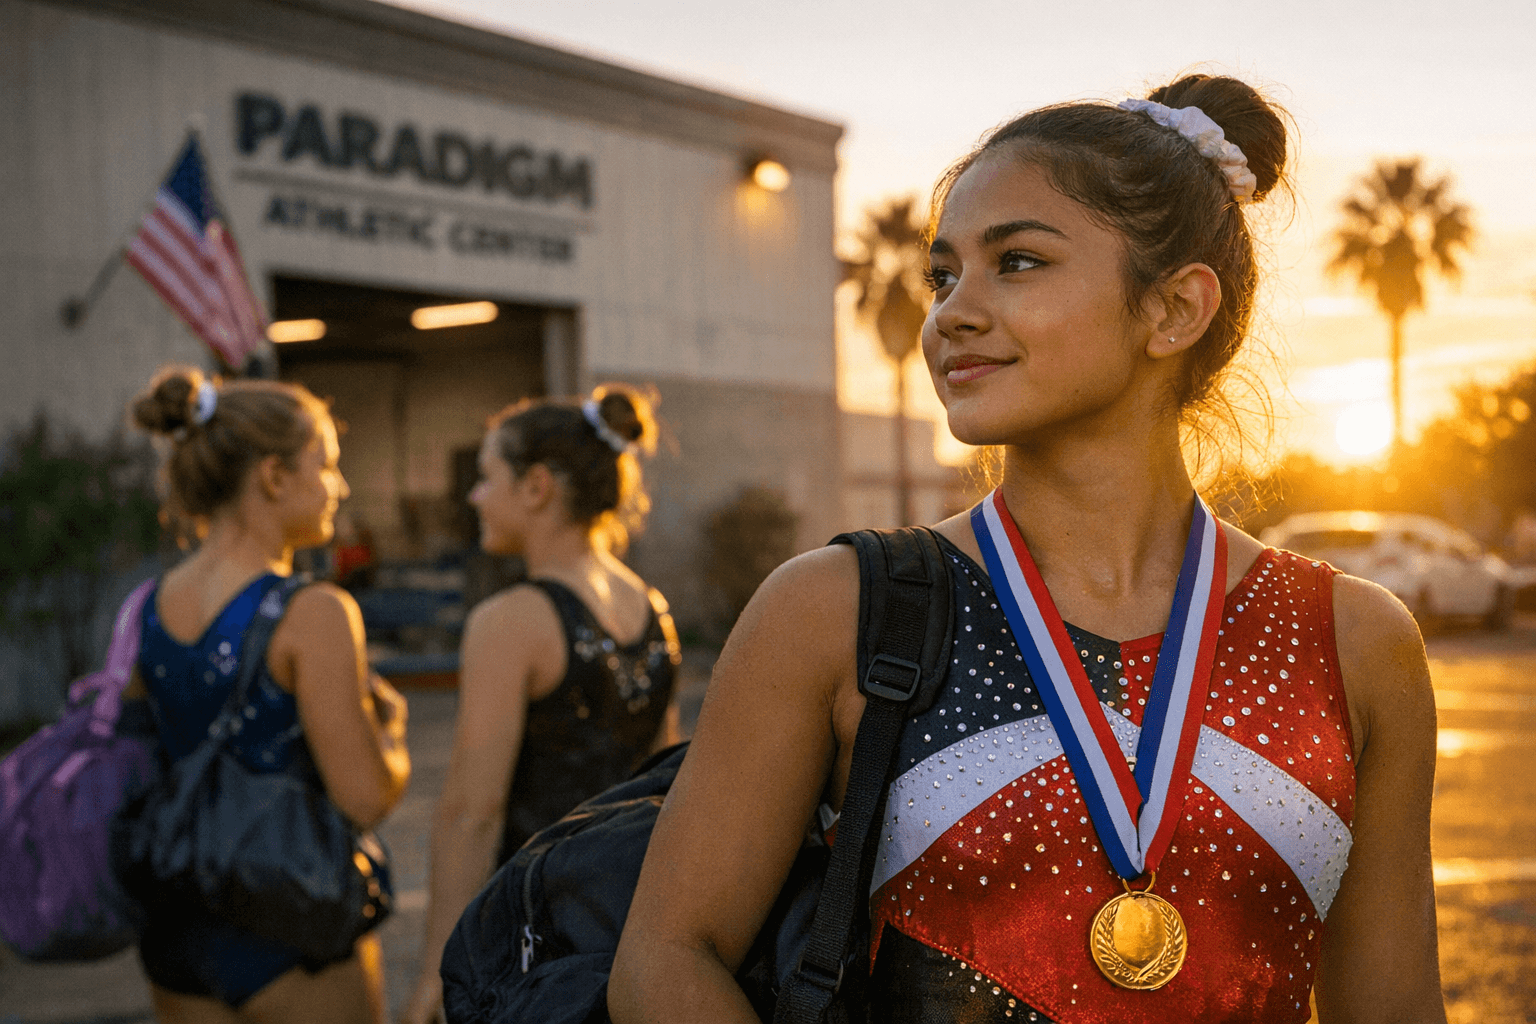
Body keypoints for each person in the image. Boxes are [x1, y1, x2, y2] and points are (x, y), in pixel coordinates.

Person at [609, 74, 1446, 1023]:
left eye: (1016, 262)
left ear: (1174, 309)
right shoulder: (835, 608)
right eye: (943, 275)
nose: (951, 313)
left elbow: (1397, 1008)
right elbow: (666, 961)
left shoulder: (1356, 641)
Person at [124, 367, 411, 1024]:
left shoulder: (146, 606)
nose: (339, 486)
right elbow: (366, 797)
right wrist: (392, 738)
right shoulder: (313, 612)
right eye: (326, 464)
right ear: (274, 477)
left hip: (176, 930)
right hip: (293, 926)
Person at [400, 385, 682, 1024]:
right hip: (626, 920)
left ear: (536, 488)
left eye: (486, 478)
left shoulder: (510, 620)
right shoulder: (652, 607)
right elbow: (665, 780)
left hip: (537, 928)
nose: (475, 497)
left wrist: (435, 971)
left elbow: (471, 814)